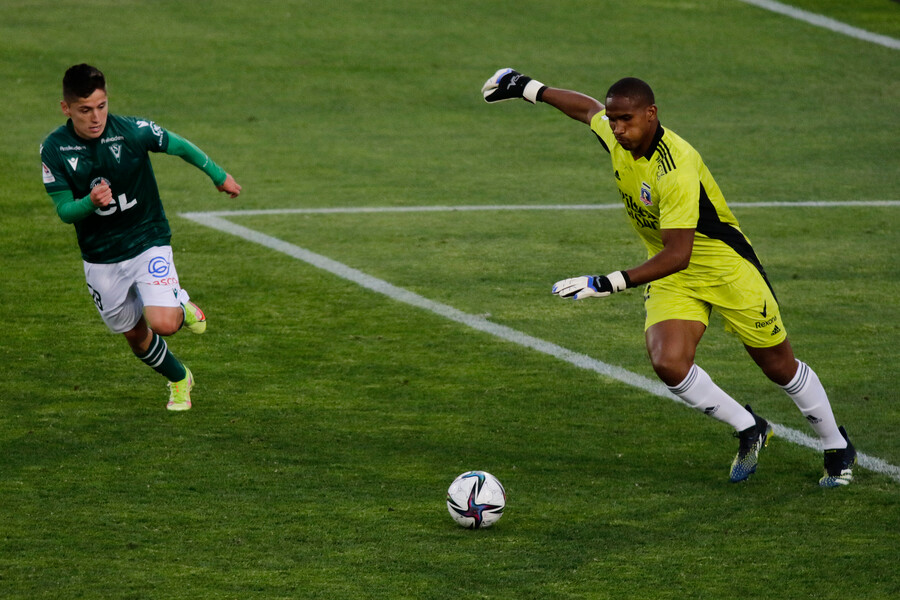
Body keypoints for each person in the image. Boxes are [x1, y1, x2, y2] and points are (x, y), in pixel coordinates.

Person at [481, 68, 857, 487]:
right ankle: (750, 427)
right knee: (668, 362)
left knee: (778, 366)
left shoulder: (674, 169)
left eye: (626, 120)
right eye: (614, 119)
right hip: (672, 272)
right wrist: (528, 88)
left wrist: (608, 282)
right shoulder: (616, 133)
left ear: (651, 114)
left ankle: (836, 446)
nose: (617, 129)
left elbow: (680, 253)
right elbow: (585, 110)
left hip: (725, 270)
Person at [41, 63, 242, 411]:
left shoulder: (132, 131)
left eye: (101, 106)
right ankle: (180, 378)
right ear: (66, 108)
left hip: (147, 237)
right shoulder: (54, 149)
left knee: (163, 323)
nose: (95, 117)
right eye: (85, 110)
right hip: (101, 257)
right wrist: (89, 203)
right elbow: (63, 210)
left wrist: (218, 175)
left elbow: (179, 146)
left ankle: (178, 301)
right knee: (135, 337)